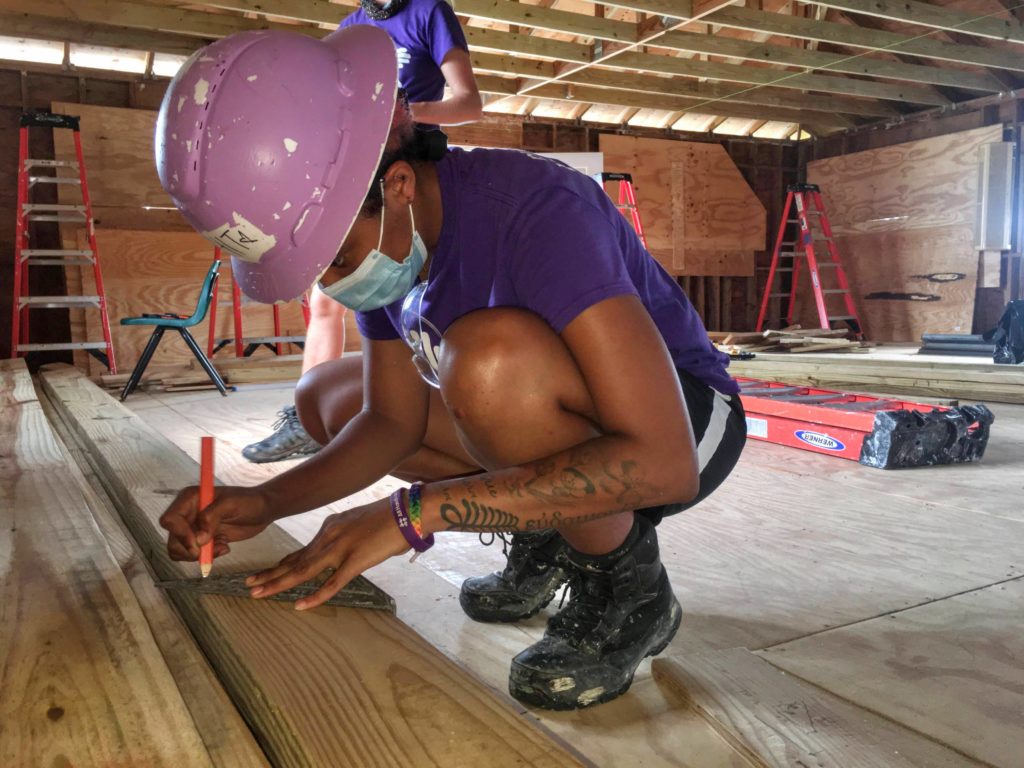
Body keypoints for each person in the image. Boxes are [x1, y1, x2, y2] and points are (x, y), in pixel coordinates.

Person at [157, 26, 746, 711]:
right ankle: (548, 533)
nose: (333, 283)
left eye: (337, 258)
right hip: (586, 427)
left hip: (688, 429)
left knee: (487, 366)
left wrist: (414, 513)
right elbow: (391, 422)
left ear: (398, 184)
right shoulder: (392, 243)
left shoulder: (534, 210)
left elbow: (662, 461)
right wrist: (266, 501)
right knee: (329, 395)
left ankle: (627, 589)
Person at [241, 0, 483, 464]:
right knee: (328, 299)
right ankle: (305, 420)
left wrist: (392, 113)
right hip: (355, 178)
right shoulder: (351, 29)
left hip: (411, 174)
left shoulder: (428, 11)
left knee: (436, 304)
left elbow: (468, 102)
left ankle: (467, 416)